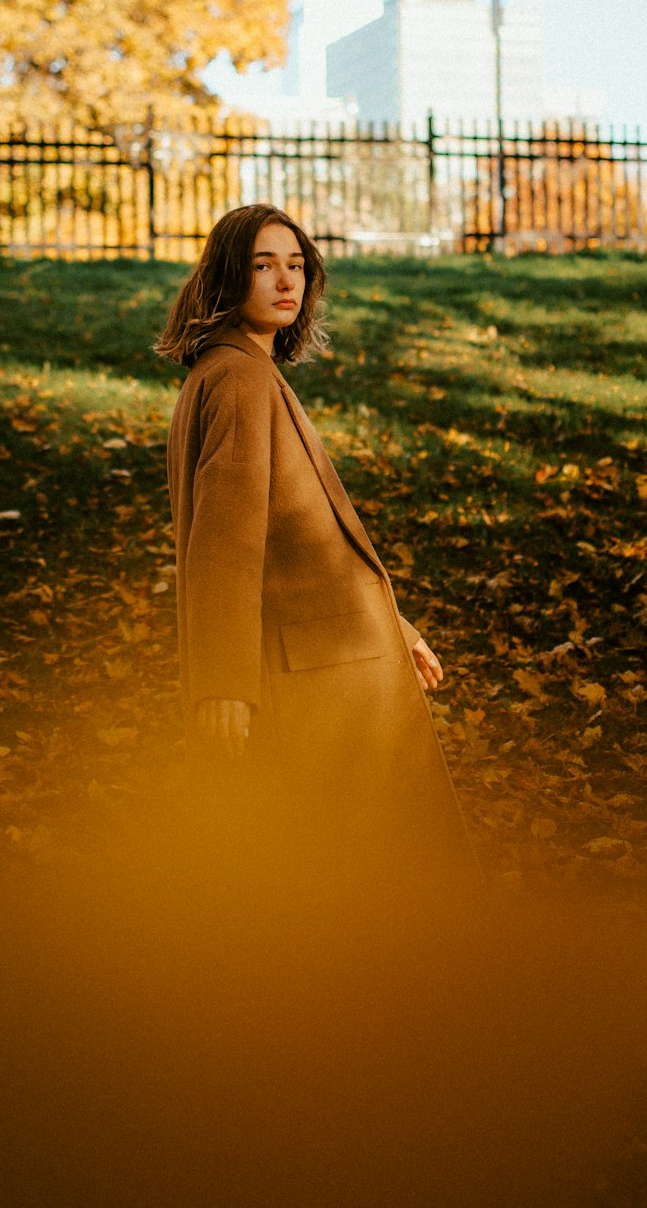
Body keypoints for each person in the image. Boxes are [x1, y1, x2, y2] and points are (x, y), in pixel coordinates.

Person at [154, 203, 476, 877]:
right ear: (225, 279)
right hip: (307, 686)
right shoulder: (240, 379)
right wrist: (223, 682)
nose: (284, 281)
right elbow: (226, 543)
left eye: (295, 265)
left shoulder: (234, 371)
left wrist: (397, 627)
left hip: (325, 665)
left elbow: (304, 539)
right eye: (263, 265)